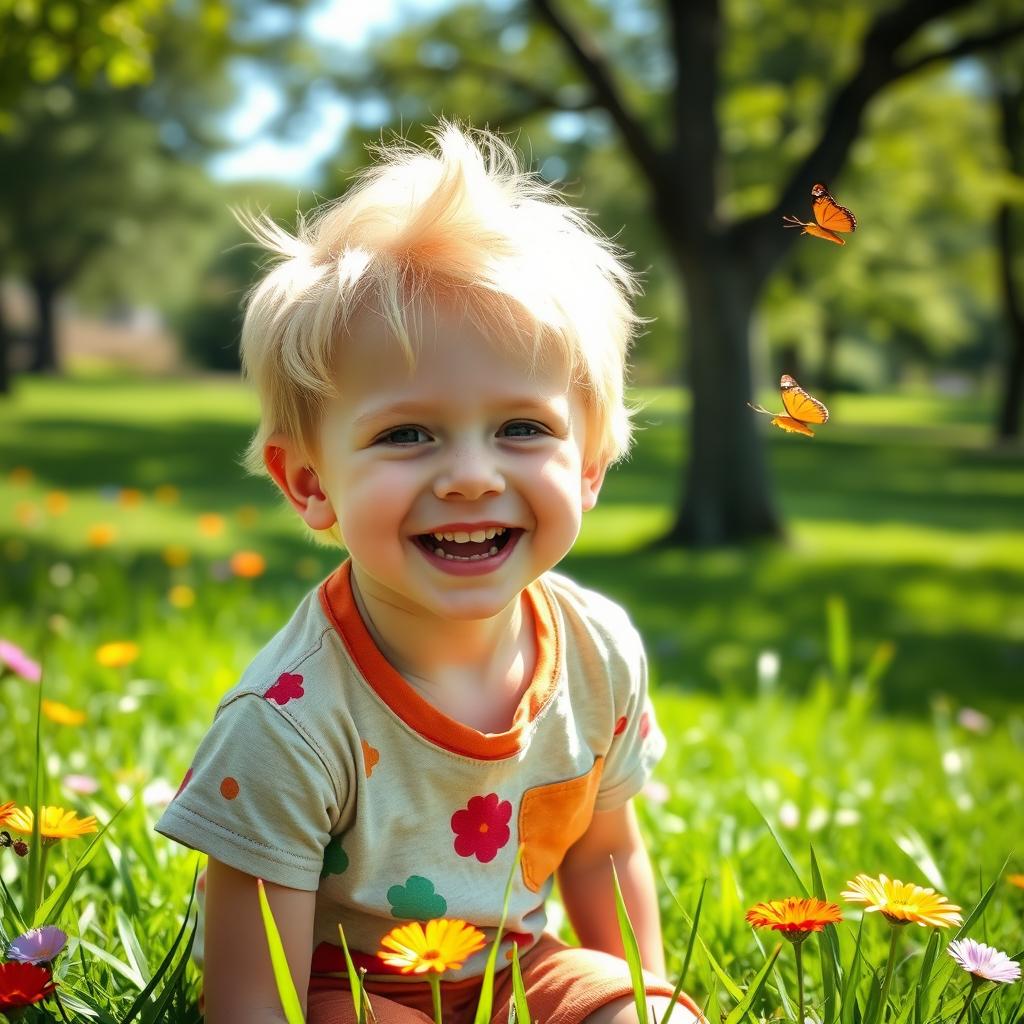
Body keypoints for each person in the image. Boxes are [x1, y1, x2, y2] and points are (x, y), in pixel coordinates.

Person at [155, 120, 702, 1024]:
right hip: (345, 988)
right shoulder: (290, 724)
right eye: (407, 434)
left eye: (524, 428)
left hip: (519, 970)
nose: (472, 475)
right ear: (309, 482)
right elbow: (254, 1006)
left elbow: (605, 852)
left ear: (593, 466)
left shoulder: (599, 651)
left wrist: (640, 1000)